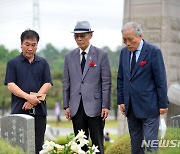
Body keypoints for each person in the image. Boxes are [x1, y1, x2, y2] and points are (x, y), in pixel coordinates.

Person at [117, 22, 168, 154]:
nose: (127, 43)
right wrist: (121, 100)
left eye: (130, 39)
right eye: (124, 40)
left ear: (140, 36)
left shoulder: (153, 51)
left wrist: (163, 103)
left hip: (150, 107)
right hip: (131, 107)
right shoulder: (123, 53)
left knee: (151, 144)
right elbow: (121, 78)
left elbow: (160, 79)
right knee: (136, 145)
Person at [63, 21, 111, 153]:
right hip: (76, 107)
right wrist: (66, 105)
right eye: (76, 36)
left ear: (90, 35)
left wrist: (105, 105)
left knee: (97, 145)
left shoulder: (102, 55)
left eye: (82, 35)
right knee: (79, 146)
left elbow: (106, 82)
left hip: (96, 107)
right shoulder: (69, 57)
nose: (79, 39)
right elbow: (66, 82)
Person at [4, 29, 52, 154]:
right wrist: (27, 97)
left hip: (39, 112)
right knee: (18, 147)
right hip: (19, 111)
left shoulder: (43, 63)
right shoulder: (13, 63)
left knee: (38, 147)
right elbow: (10, 85)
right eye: (27, 44)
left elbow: (47, 84)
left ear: (37, 45)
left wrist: (33, 100)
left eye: (33, 45)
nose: (30, 48)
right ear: (21, 44)